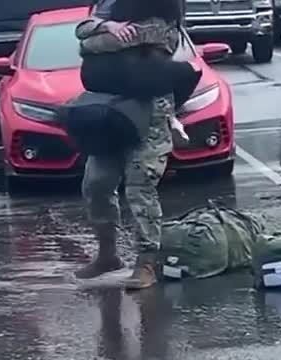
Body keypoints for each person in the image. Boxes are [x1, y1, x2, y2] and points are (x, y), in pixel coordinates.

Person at [73, 0, 184, 290]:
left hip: (151, 109)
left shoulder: (165, 10)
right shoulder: (111, 4)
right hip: (110, 106)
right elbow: (81, 30)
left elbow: (142, 36)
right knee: (96, 182)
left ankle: (146, 261)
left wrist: (96, 40)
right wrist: (105, 26)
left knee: (140, 185)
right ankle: (107, 254)